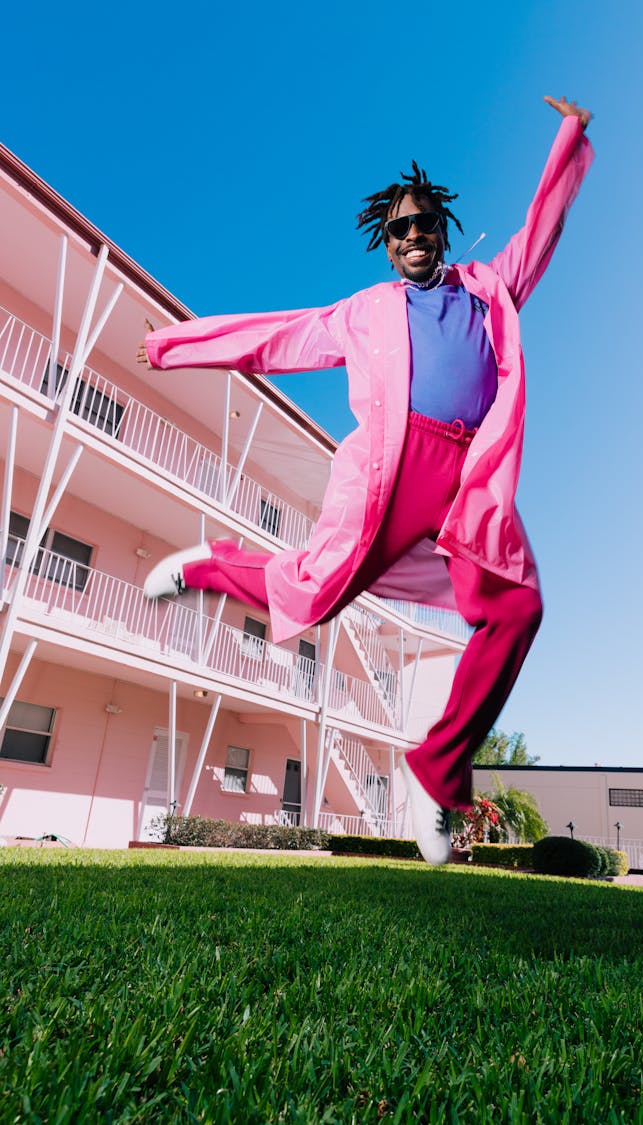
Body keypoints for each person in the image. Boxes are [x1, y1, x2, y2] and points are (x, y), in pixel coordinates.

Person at [137, 95, 594, 865]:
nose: (414, 234)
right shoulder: (364, 312)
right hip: (392, 468)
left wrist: (570, 136)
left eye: (424, 223)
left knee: (518, 608)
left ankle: (437, 768)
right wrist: (174, 346)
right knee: (316, 589)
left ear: (443, 231)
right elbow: (274, 338)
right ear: (387, 248)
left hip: (469, 477)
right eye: (399, 229)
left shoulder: (489, 289)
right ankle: (212, 564)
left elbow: (539, 233)